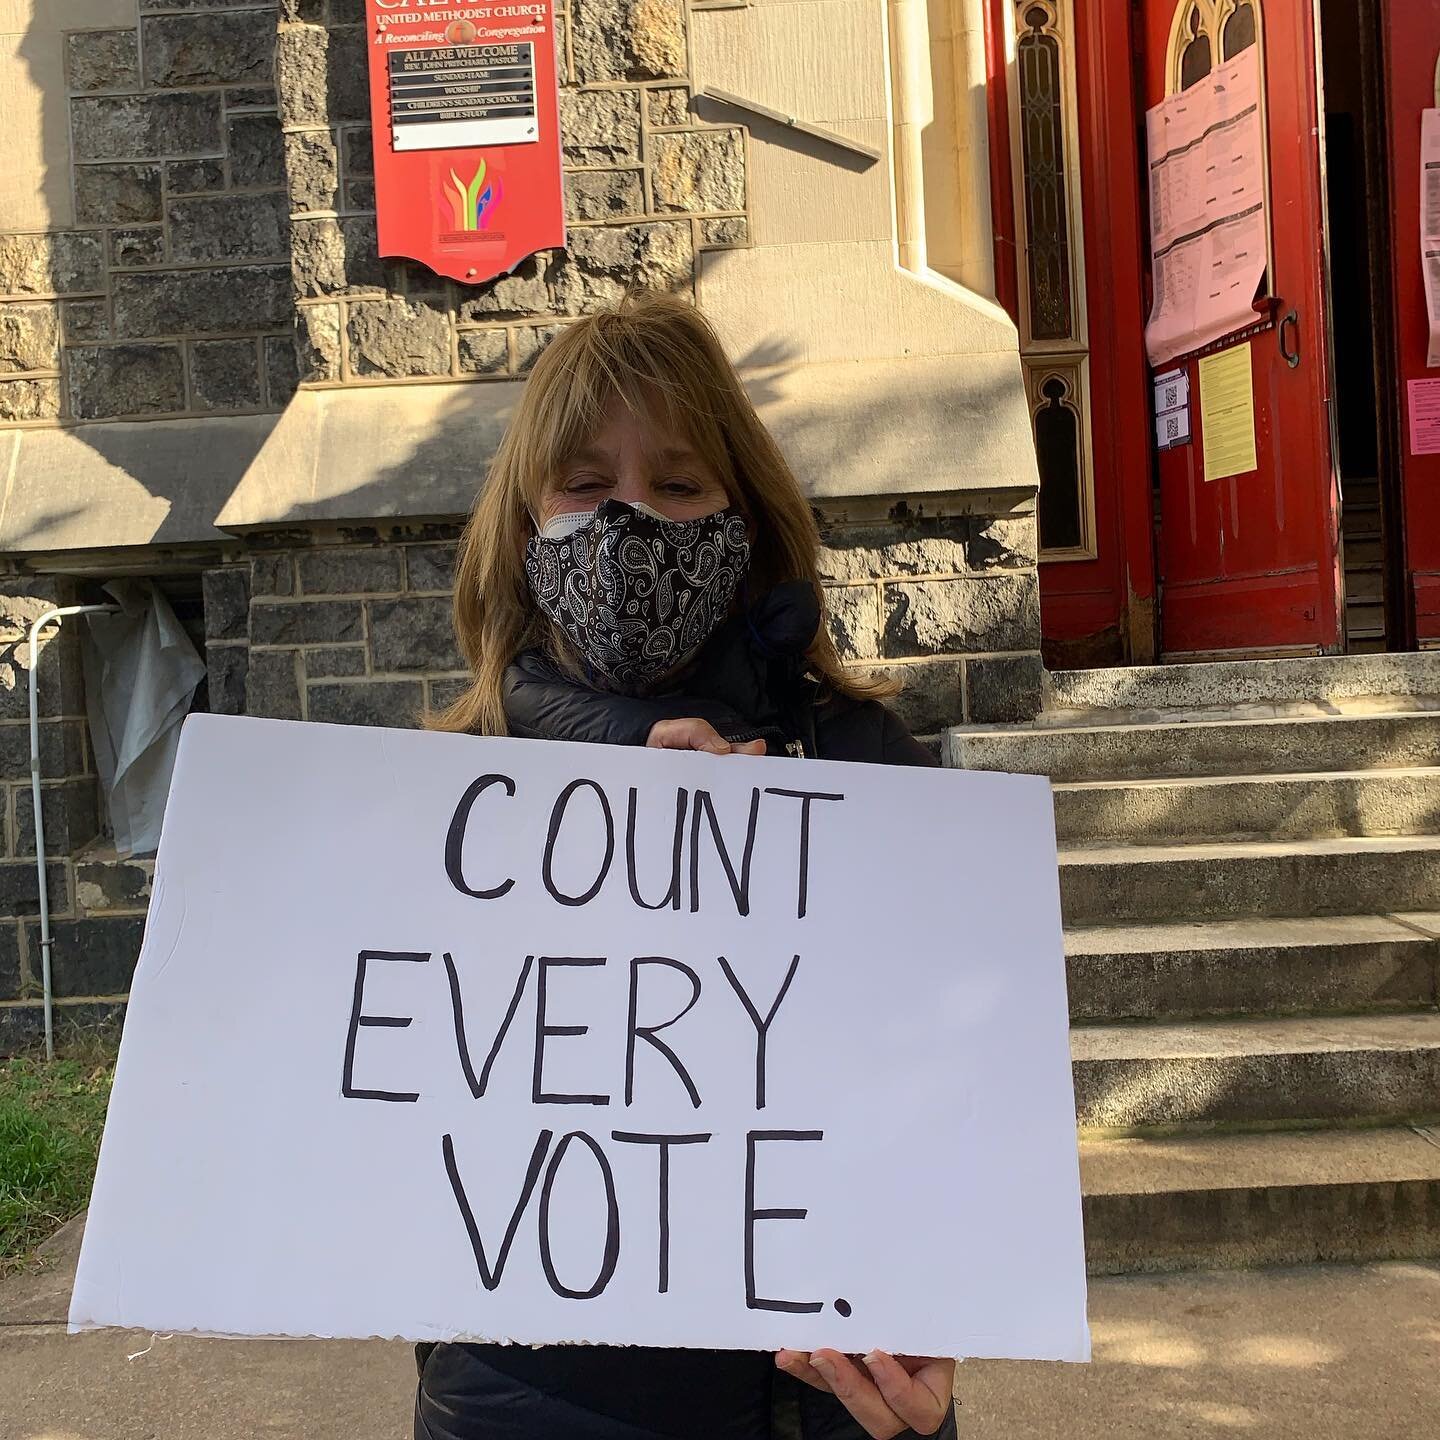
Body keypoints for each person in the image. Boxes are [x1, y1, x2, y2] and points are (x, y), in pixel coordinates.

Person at [422, 292, 958, 1440]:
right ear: (522, 529)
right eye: (582, 484)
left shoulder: (869, 765)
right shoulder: (442, 802)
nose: (629, 522)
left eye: (676, 484)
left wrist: (940, 1299)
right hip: (523, 1400)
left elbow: (956, 1087)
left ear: (743, 520)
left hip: (824, 1401)